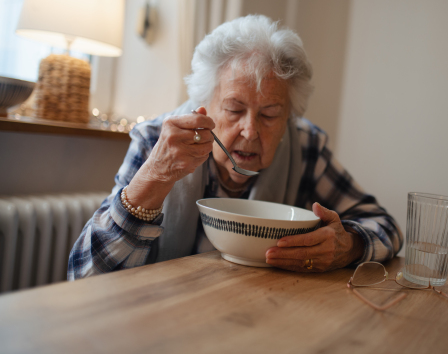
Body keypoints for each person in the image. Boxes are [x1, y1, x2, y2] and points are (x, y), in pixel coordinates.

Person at [68, 15, 402, 279]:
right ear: (204, 105)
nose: (250, 130)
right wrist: (154, 176)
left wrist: (351, 245)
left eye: (270, 114)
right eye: (233, 109)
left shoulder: (304, 145)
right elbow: (84, 273)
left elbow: (384, 225)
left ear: (289, 117)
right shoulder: (160, 141)